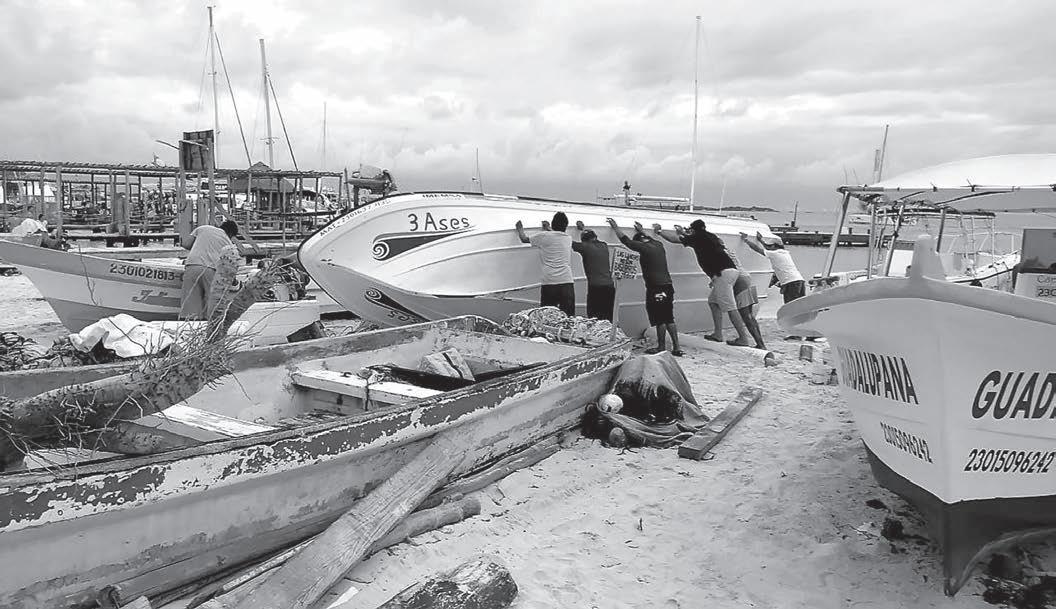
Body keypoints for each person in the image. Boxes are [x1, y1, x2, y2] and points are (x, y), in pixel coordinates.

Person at [653, 219, 751, 347]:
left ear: (693, 230)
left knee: (730, 307)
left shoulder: (697, 237)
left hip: (722, 274)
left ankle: (743, 338)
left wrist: (659, 232)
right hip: (728, 272)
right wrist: (683, 233)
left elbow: (674, 240)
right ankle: (717, 334)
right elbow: (693, 240)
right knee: (713, 302)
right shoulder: (710, 236)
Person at [607, 218, 682, 356]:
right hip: (668, 286)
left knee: (660, 319)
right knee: (668, 318)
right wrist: (642, 230)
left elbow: (625, 240)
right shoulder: (658, 244)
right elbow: (647, 238)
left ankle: (661, 347)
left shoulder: (643, 248)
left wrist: (615, 226)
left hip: (656, 288)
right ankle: (677, 347)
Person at [515, 212, 575, 317]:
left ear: (553, 223)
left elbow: (524, 239)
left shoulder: (543, 236)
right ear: (566, 226)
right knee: (568, 316)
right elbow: (556, 236)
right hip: (567, 282)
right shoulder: (568, 238)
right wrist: (548, 228)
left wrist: (519, 228)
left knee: (547, 316)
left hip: (550, 282)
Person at [180, 220, 239, 320]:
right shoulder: (228, 243)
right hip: (212, 270)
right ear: (230, 234)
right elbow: (230, 265)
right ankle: (209, 323)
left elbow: (186, 244)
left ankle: (190, 321)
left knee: (190, 298)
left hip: (192, 265)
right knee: (211, 300)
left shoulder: (203, 228)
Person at [742, 232, 805, 304]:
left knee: (790, 305)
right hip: (800, 280)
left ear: (774, 246)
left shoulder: (774, 254)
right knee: (800, 304)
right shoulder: (785, 253)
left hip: (791, 283)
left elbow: (757, 249)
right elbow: (767, 247)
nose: (769, 247)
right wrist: (760, 240)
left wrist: (746, 240)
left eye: (770, 245)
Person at [573, 220, 615, 320]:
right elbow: (592, 240)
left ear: (584, 241)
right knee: (608, 316)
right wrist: (583, 229)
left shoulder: (585, 247)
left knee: (594, 317)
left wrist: (550, 229)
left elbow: (566, 241)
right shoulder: (604, 245)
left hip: (596, 288)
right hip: (610, 287)